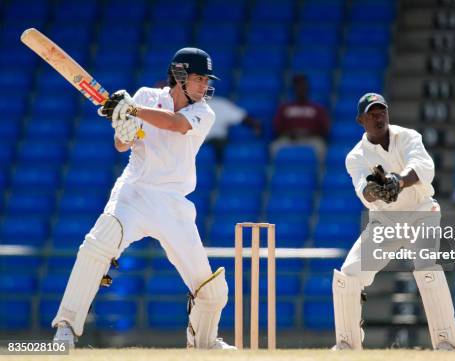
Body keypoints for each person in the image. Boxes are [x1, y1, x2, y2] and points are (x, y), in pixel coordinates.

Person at [52, 48, 236, 350]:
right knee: (97, 244)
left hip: (173, 202)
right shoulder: (146, 97)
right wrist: (124, 128)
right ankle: (65, 328)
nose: (205, 86)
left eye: (206, 80)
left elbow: (174, 124)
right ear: (179, 75)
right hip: (134, 193)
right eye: (199, 78)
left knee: (212, 290)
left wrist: (131, 111)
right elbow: (121, 145)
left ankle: (204, 343)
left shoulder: (204, 111)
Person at [332, 93, 455, 350]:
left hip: (422, 211)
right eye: (372, 114)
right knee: (349, 274)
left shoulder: (408, 137)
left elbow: (424, 167)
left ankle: (446, 343)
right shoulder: (355, 156)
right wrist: (376, 189)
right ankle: (347, 343)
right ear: (361, 120)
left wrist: (398, 181)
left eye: (382, 112)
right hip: (385, 220)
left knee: (426, 267)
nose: (379, 117)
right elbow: (363, 192)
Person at [270, 74, 330, 160]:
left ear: (307, 88)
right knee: (274, 147)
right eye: (297, 86)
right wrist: (290, 133)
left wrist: (308, 133)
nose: (300, 89)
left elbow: (325, 129)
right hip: (289, 139)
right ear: (293, 89)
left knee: (321, 146)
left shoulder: (317, 108)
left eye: (303, 86)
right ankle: (275, 172)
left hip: (311, 139)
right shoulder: (285, 108)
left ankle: (320, 172)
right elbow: (277, 128)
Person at [206, 96, 261, 161]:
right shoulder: (192, 107)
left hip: (217, 142)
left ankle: (219, 167)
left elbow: (243, 117)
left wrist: (256, 127)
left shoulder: (219, 104)